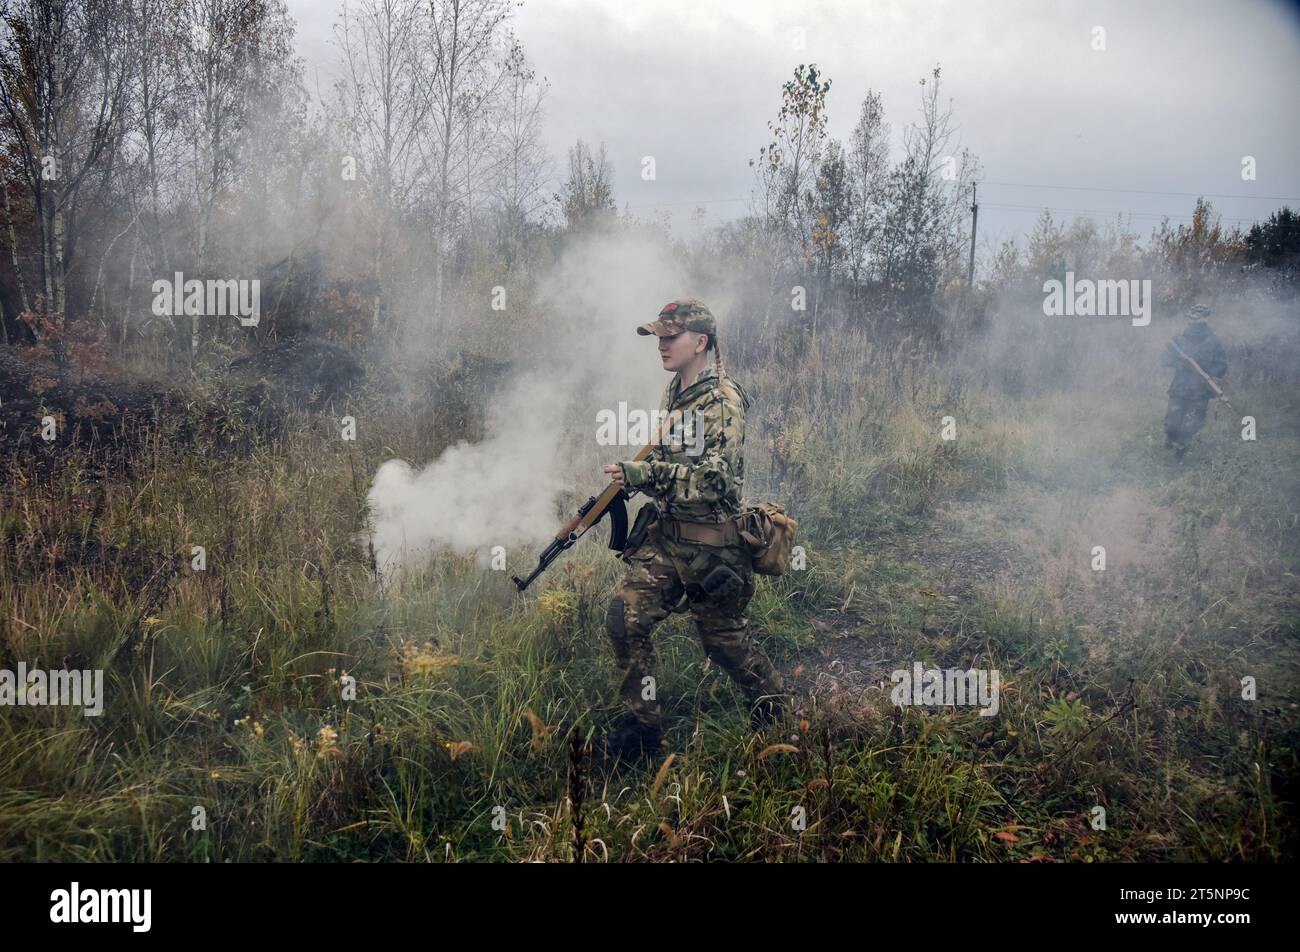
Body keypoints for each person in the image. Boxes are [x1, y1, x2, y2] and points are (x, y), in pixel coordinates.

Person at [599, 299, 788, 760]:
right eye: (658, 338)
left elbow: (714, 482)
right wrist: (638, 477)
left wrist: (646, 476)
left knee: (725, 646)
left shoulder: (722, 402)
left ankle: (779, 716)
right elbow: (675, 461)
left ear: (700, 342)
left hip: (712, 549)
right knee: (624, 618)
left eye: (671, 337)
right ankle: (642, 730)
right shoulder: (676, 394)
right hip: (668, 540)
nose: (662, 346)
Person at [1162, 301, 1228, 461]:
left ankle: (1180, 454)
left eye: (1199, 319)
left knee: (1191, 425)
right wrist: (1182, 364)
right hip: (1180, 388)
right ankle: (1171, 439)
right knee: (1172, 424)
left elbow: (1222, 366)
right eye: (1192, 318)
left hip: (1201, 390)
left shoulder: (1214, 342)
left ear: (1206, 320)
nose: (1195, 322)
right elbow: (1165, 360)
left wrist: (1206, 369)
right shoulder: (1178, 340)